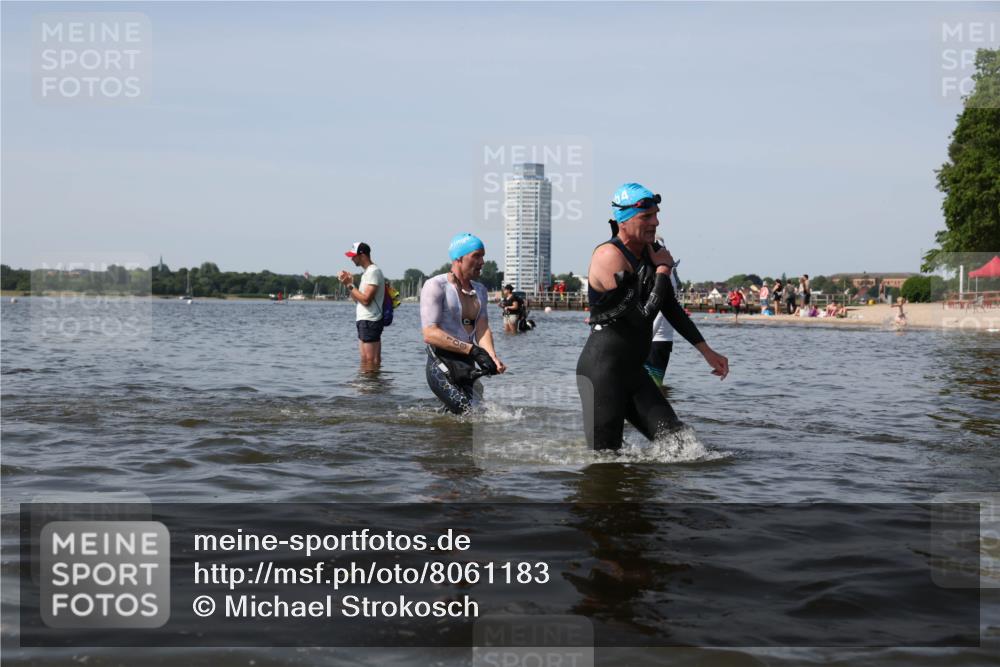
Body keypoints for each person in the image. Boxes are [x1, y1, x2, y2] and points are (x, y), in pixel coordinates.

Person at [577, 183, 729, 451]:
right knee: (606, 461)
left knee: (682, 446)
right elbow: (640, 318)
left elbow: (670, 307)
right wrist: (662, 272)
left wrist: (706, 351)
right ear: (623, 221)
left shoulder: (650, 252)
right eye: (646, 217)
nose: (655, 222)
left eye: (656, 215)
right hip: (602, 373)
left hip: (634, 373)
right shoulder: (608, 256)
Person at [420, 233, 506, 414]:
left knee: (477, 413)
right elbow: (429, 334)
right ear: (459, 258)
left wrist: (491, 356)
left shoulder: (480, 290)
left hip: (467, 363)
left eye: (483, 256)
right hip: (441, 361)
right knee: (467, 412)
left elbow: (482, 328)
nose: (482, 262)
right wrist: (472, 350)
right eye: (476, 256)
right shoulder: (435, 285)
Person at [339, 242, 385, 369]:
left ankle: (371, 382)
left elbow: (366, 300)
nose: (351, 259)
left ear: (362, 255)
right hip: (365, 320)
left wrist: (349, 285)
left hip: (370, 320)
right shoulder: (367, 273)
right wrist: (349, 284)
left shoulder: (373, 271)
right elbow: (358, 300)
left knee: (371, 360)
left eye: (353, 256)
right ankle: (369, 381)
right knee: (366, 360)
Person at [644, 238, 683, 388]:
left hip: (655, 341)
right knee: (654, 388)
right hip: (661, 339)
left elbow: (660, 311)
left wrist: (643, 341)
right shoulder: (667, 274)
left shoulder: (663, 275)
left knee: (650, 388)